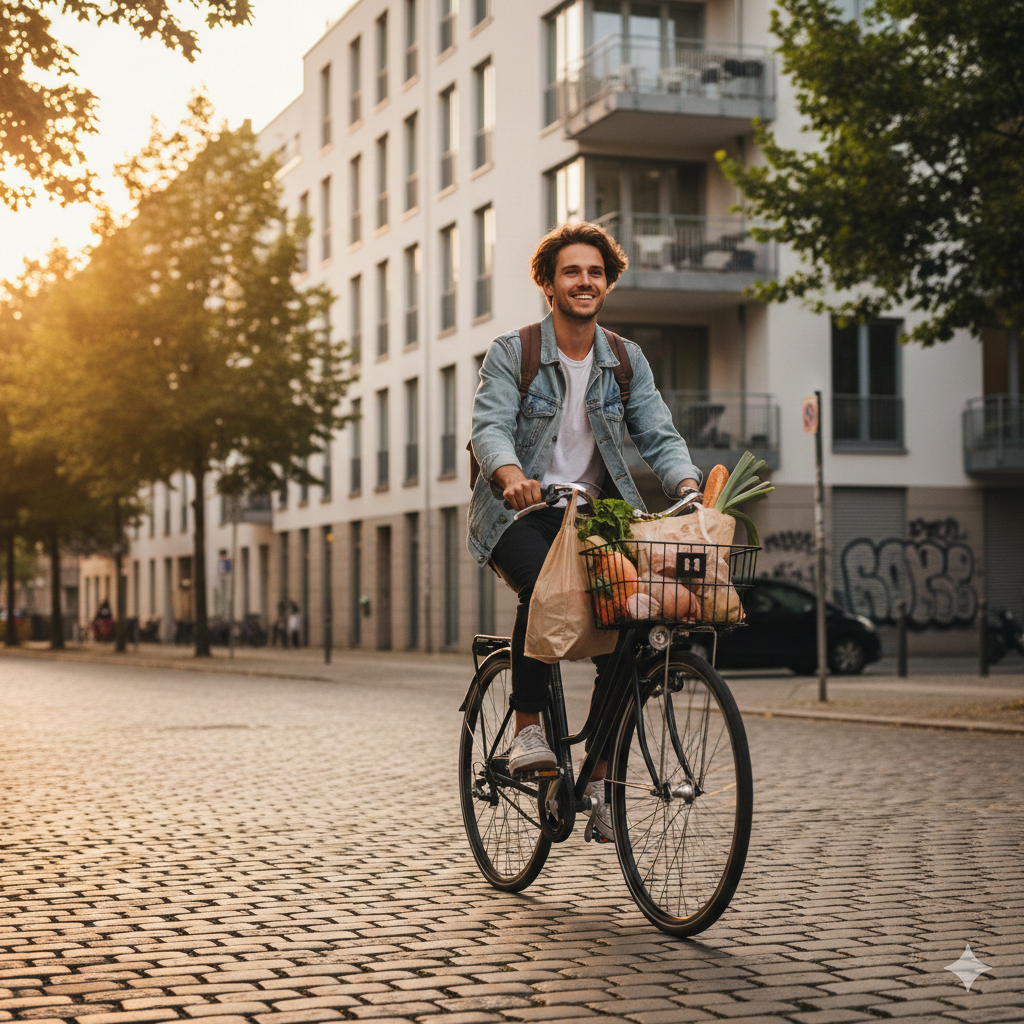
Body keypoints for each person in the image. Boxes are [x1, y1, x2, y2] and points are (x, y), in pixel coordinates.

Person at [468, 221, 701, 839]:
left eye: (595, 272)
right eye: (572, 271)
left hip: (595, 513)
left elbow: (658, 432)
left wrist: (686, 488)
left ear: (607, 282)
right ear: (549, 284)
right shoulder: (512, 352)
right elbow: (488, 427)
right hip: (520, 511)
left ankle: (599, 776)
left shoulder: (624, 359)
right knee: (544, 586)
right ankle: (526, 731)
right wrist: (512, 473)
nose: (585, 281)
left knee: (637, 621)